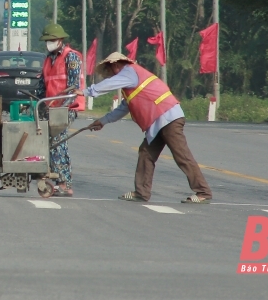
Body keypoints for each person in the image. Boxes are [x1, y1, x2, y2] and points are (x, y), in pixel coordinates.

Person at [79, 52, 213, 204]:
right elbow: (123, 108)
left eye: (109, 71)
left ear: (116, 65)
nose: (108, 75)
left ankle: (203, 192)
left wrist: (86, 92)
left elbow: (110, 84)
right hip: (158, 122)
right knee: (146, 154)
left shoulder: (129, 71)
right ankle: (141, 192)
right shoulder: (130, 84)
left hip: (168, 117)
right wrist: (103, 121)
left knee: (182, 155)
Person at [35, 23, 86, 197]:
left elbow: (74, 87)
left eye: (52, 40)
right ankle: (55, 178)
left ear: (60, 40)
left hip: (67, 107)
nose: (48, 43)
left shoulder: (71, 57)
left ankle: (65, 183)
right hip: (51, 107)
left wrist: (62, 107)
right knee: (49, 142)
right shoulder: (48, 59)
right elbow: (42, 85)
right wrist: (36, 102)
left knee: (57, 142)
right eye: (47, 40)